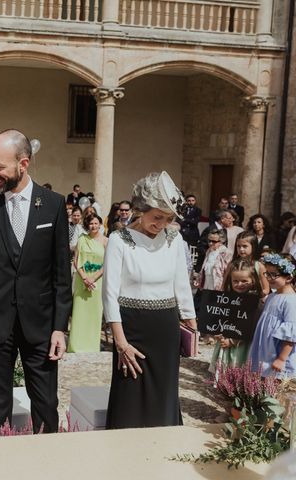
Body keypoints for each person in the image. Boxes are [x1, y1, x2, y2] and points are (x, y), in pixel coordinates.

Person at [0, 129, 71, 434]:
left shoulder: (53, 204)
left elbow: (61, 274)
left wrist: (59, 327)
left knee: (45, 402)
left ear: (23, 164)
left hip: (40, 325)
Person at [102, 171, 196, 429]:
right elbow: (109, 294)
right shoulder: (118, 240)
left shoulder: (175, 239)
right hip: (131, 330)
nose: (162, 224)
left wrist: (191, 324)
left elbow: (182, 286)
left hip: (166, 329)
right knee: (130, 394)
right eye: (157, 217)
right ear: (139, 209)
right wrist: (120, 343)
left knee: (164, 393)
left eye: (168, 219)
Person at [208, 258, 260, 374]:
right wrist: (217, 331)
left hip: (241, 344)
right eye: (235, 281)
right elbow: (219, 317)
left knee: (238, 366)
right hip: (225, 338)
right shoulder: (227, 298)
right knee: (224, 369)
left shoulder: (253, 301)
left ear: (253, 280)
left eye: (244, 281)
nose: (239, 284)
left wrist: (233, 341)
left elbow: (249, 326)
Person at [249, 253, 296, 379]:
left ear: (289, 278)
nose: (269, 278)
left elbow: (291, 335)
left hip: (277, 353)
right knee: (263, 380)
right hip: (266, 349)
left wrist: (281, 359)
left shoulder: (291, 301)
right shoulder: (272, 296)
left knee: (275, 384)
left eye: (273, 274)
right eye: (267, 274)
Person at [69, 213, 107, 353]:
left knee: (94, 313)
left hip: (97, 281)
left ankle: (91, 345)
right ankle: (76, 345)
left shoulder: (105, 241)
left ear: (100, 224)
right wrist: (85, 278)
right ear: (87, 225)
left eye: (96, 223)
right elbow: (76, 260)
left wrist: (93, 278)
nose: (93, 226)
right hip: (81, 280)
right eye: (91, 223)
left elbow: (106, 264)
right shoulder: (81, 239)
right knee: (80, 312)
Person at [233, 230, 270, 297]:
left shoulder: (259, 266)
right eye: (238, 246)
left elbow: (266, 289)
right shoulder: (232, 264)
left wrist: (255, 296)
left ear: (253, 246)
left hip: (253, 302)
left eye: (244, 246)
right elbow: (225, 285)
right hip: (234, 301)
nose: (241, 249)